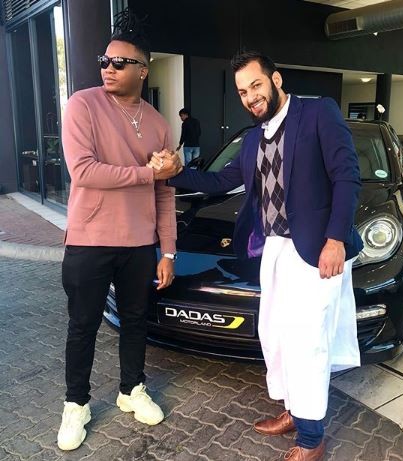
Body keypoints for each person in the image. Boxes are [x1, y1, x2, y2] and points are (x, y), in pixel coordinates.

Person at [149, 51, 363, 461]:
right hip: (276, 248)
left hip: (316, 249)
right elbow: (218, 181)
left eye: (256, 85)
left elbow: (346, 177)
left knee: (306, 341)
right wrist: (174, 173)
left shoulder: (318, 113)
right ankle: (294, 410)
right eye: (243, 92)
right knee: (276, 333)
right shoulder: (252, 139)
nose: (251, 97)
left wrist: (335, 239)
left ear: (276, 79)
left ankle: (312, 438)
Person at [57, 9, 178, 451]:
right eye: (104, 61)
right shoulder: (83, 105)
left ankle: (132, 389)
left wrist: (168, 251)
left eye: (119, 63)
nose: (108, 68)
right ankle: (76, 405)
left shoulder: (159, 123)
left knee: (135, 321)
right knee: (83, 326)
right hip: (89, 241)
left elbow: (165, 193)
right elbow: (84, 171)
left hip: (140, 244)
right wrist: (148, 172)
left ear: (143, 70)